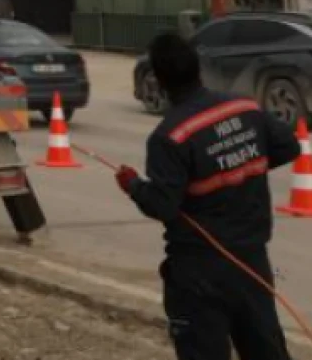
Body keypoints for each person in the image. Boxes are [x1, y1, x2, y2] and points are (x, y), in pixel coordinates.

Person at [116, 33, 301, 360]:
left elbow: (163, 205)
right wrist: (242, 165)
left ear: (158, 80)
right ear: (197, 67)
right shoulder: (244, 108)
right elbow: (289, 146)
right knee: (265, 349)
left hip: (199, 271)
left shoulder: (170, 135)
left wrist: (132, 185)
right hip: (251, 260)